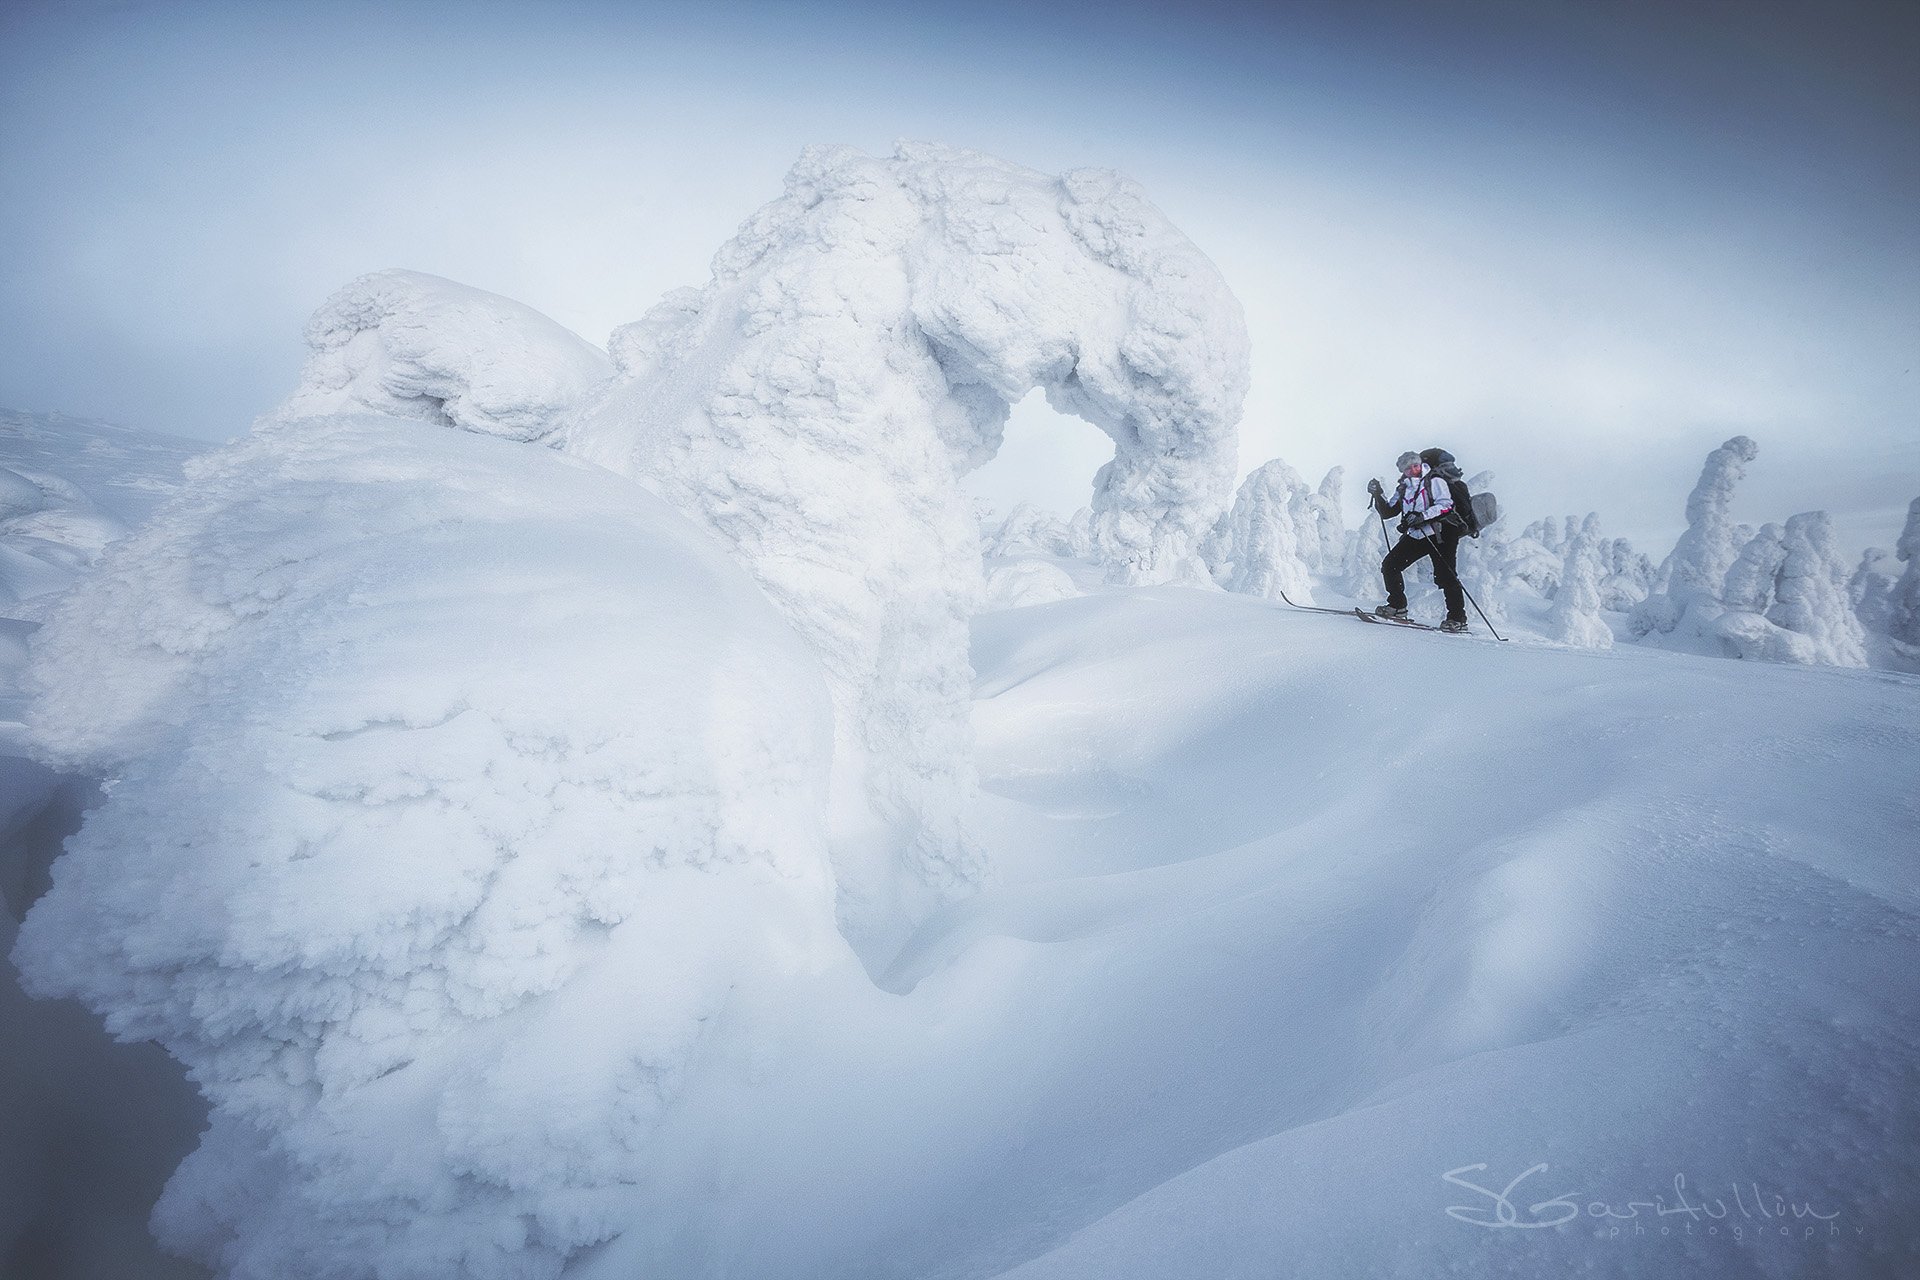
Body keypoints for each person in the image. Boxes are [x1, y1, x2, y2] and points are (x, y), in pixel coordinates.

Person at [1367, 451, 1468, 633]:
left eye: (1415, 466)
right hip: (1417, 534)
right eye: (1408, 468)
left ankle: (1457, 618)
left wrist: (1422, 516)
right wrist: (1378, 494)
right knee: (1391, 565)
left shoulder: (1435, 481)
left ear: (1420, 464)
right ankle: (1397, 606)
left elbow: (1446, 505)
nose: (1413, 470)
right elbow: (1388, 512)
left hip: (1442, 533)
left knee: (1446, 575)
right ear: (1403, 471)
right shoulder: (1403, 488)